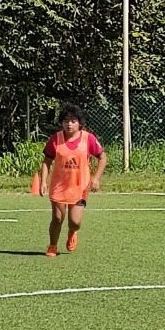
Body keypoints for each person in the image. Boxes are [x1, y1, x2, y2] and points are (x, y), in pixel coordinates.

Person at [37, 104, 106, 257]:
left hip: (79, 187)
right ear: (61, 122)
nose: (69, 124)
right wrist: (43, 182)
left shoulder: (89, 139)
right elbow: (47, 161)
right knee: (57, 218)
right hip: (59, 186)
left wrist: (96, 178)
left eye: (73, 121)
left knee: (74, 222)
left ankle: (72, 232)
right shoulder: (55, 139)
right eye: (66, 120)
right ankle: (53, 246)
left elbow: (102, 158)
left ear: (79, 123)